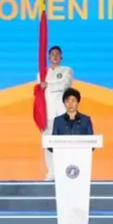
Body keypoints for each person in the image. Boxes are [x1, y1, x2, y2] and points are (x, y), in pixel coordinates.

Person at [40, 45, 74, 180]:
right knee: (48, 144)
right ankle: (51, 172)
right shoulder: (42, 73)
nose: (54, 56)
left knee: (62, 143)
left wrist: (48, 85)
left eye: (57, 54)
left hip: (61, 112)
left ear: (61, 57)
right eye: (52, 54)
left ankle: (64, 171)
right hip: (46, 114)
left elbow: (64, 85)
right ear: (49, 57)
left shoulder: (66, 70)